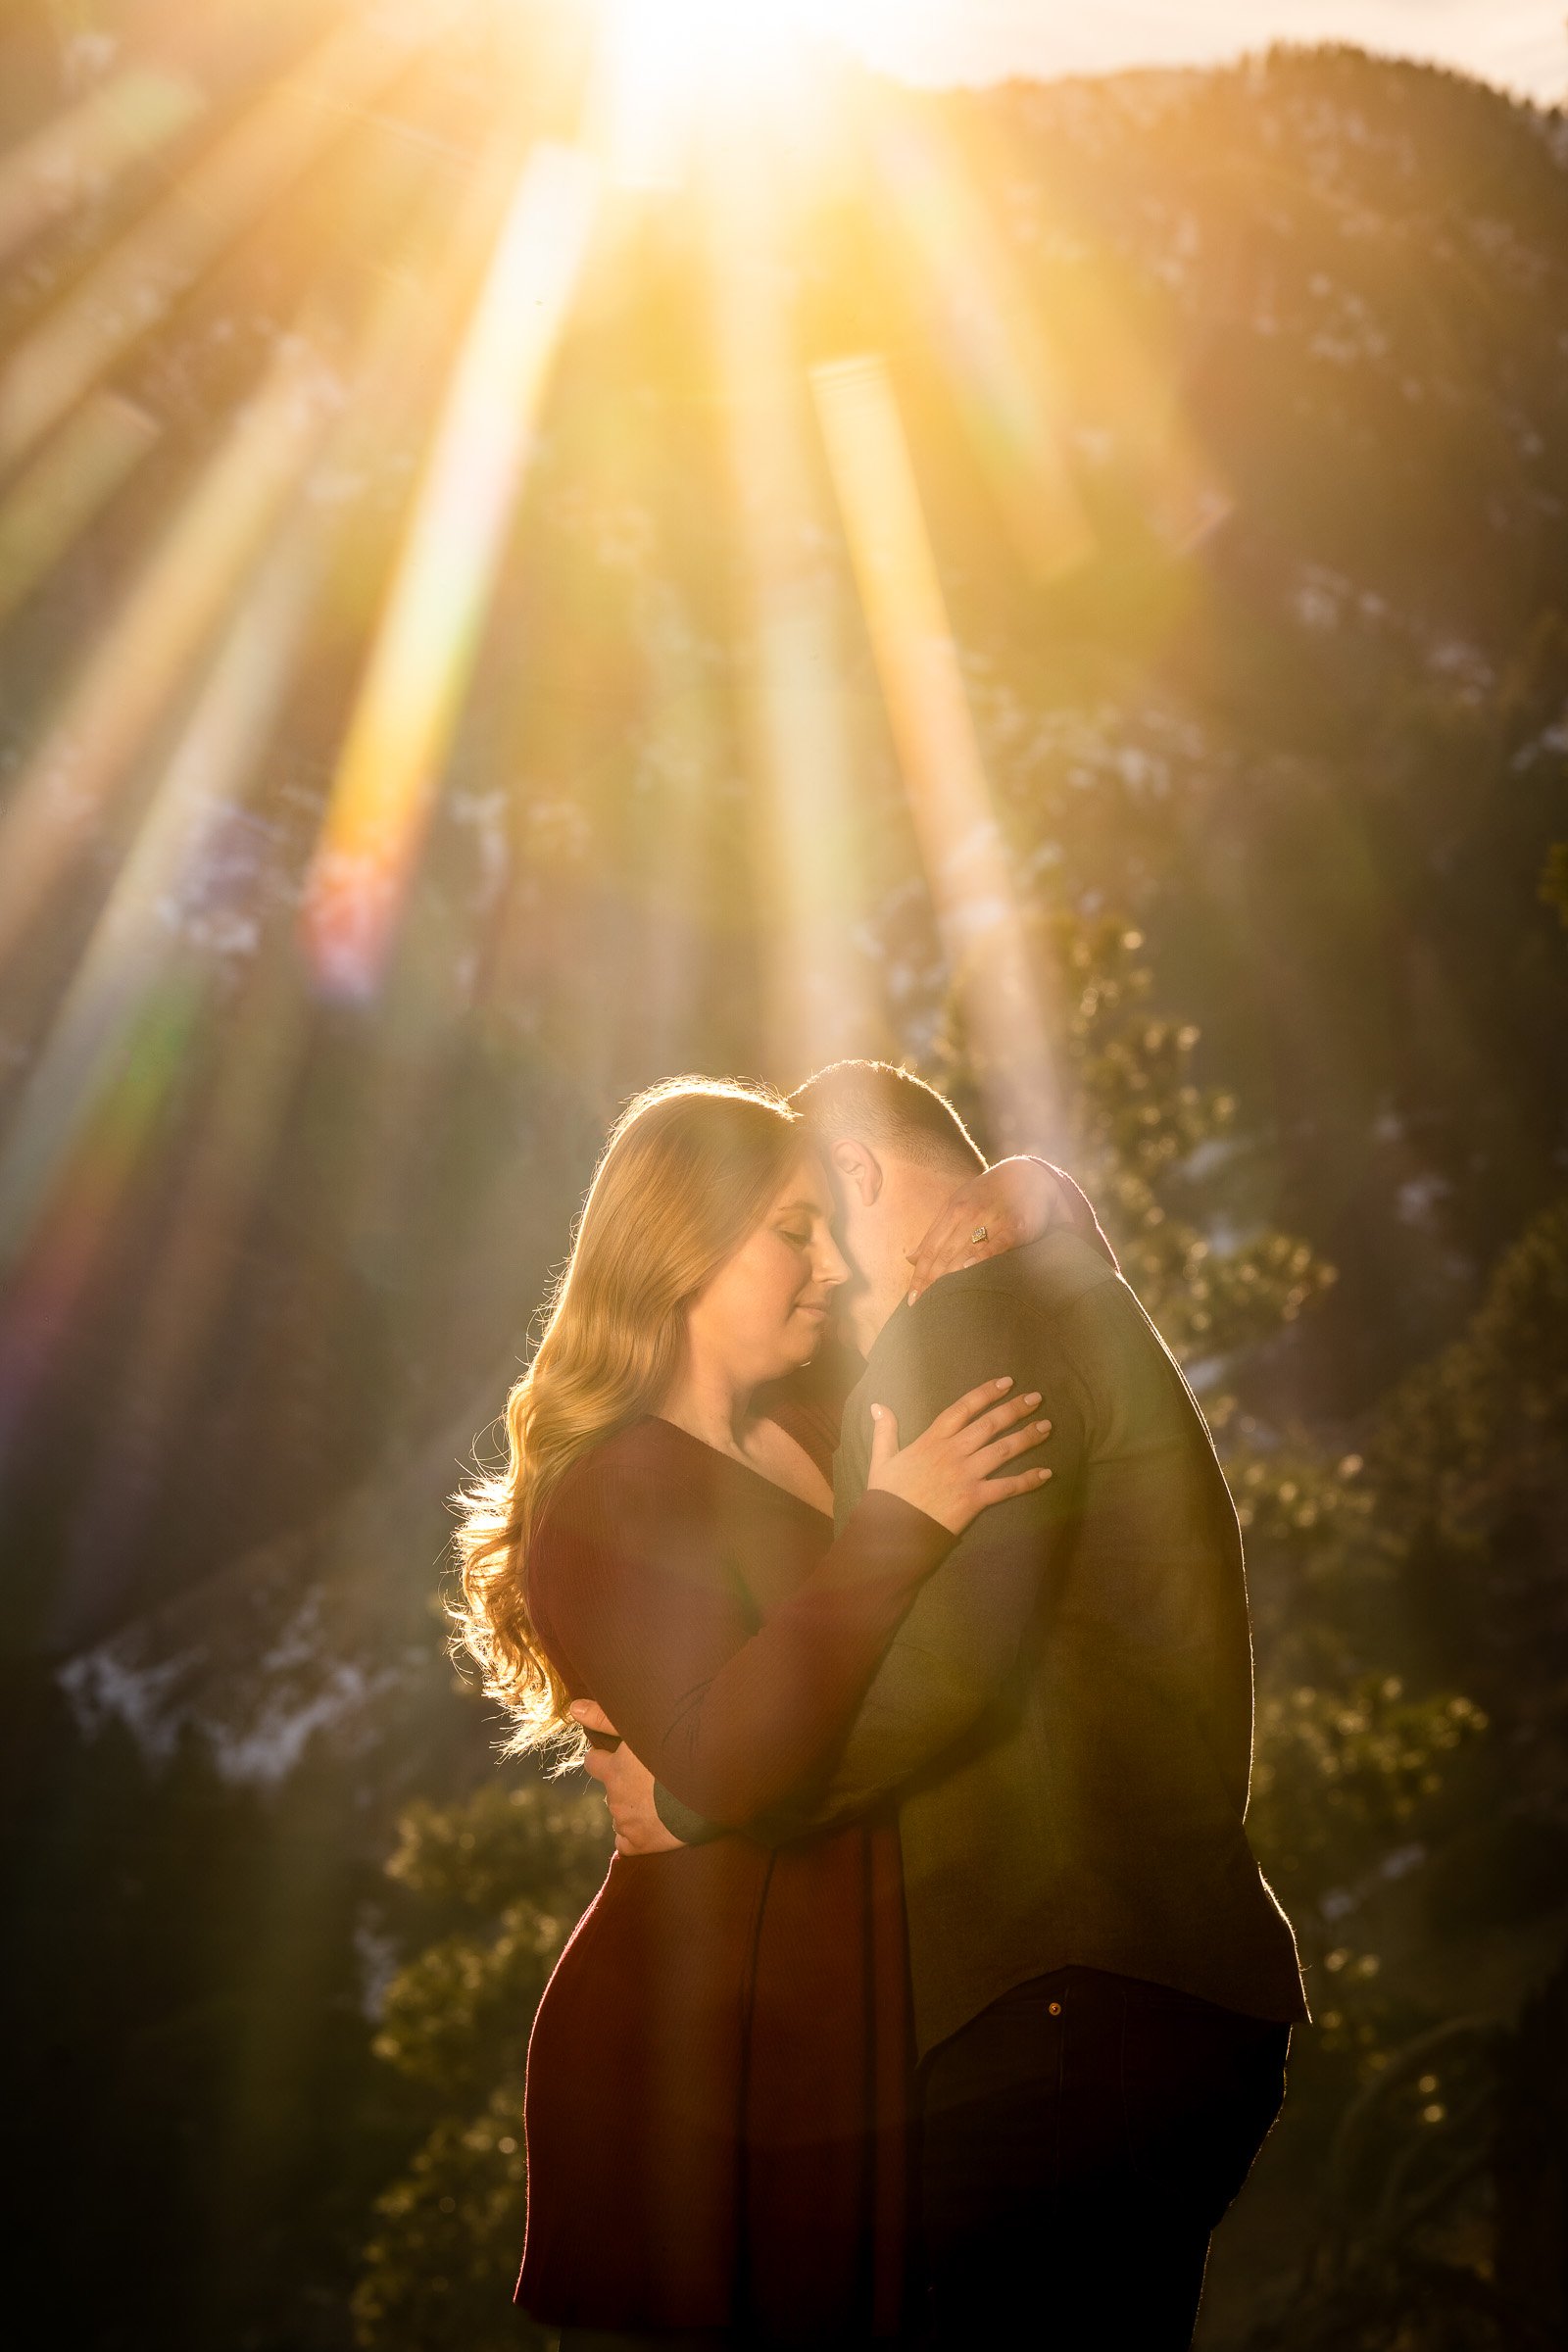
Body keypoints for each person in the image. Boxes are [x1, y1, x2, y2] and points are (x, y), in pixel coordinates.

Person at [586, 1060, 1309, 2350]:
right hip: (1160, 1994)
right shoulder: (1067, 1298)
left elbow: (943, 1665)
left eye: (807, 1226)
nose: (811, 1275)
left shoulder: (967, 1320)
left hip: (1047, 2013)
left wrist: (706, 1800)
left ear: (854, 1173)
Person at [450, 1074, 1080, 2349]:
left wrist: (1033, 1193)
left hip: (830, 2031)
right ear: (686, 1240)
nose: (832, 1268)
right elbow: (728, 1761)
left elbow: (994, 1245)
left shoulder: (808, 1421)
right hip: (694, 2066)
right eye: (794, 1231)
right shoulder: (611, 1489)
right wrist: (898, 1530)